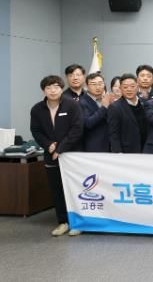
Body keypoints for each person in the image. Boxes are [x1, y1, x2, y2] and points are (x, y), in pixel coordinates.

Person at [30, 75, 83, 237]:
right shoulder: (37, 109)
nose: (52, 90)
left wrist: (60, 148)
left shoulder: (72, 105)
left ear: (61, 88)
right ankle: (63, 222)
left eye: (56, 87)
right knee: (57, 190)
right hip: (50, 155)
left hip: (71, 154)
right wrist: (48, 145)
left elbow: (77, 129)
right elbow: (36, 131)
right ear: (43, 90)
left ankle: (78, 223)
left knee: (74, 189)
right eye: (48, 88)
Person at [107, 73, 147, 153]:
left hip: (145, 150)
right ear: (120, 89)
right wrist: (118, 153)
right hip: (126, 152)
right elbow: (114, 135)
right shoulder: (115, 107)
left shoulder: (144, 104)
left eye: (132, 86)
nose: (129, 89)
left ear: (137, 87)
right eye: (125, 87)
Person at [79, 72, 113, 152]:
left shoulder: (108, 99)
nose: (98, 87)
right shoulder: (82, 102)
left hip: (110, 145)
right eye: (93, 84)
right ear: (86, 86)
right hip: (93, 147)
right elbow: (88, 123)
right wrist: (104, 107)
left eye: (100, 83)